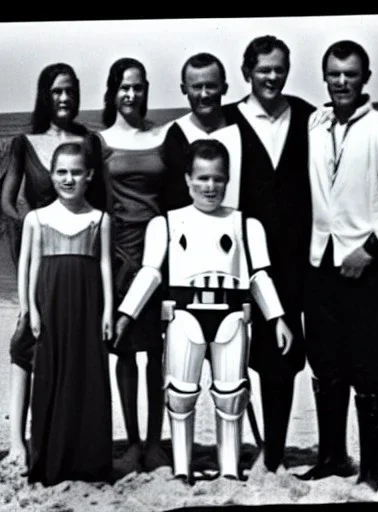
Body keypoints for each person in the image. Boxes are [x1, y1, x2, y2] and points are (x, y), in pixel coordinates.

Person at [114, 139, 293, 483]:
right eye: (202, 178)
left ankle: (229, 469)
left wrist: (278, 318)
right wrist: (127, 313)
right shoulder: (165, 224)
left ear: (228, 180)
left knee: (232, 395)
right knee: (180, 395)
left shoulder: (246, 225)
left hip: (230, 316)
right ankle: (182, 469)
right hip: (184, 315)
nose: (210, 187)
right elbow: (150, 273)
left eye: (218, 179)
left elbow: (259, 276)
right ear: (187, 179)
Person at [300, 40, 378, 491]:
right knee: (325, 364)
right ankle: (333, 458)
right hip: (320, 263)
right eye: (334, 74)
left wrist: (367, 251)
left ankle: (371, 474)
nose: (342, 82)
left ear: (366, 77)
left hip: (366, 269)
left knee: (370, 367)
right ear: (325, 77)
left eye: (351, 74)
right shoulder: (315, 125)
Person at [0, 63, 107, 473]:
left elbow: (100, 201)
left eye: (70, 91)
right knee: (23, 345)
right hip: (40, 259)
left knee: (70, 350)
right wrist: (27, 233)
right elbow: (7, 200)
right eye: (56, 92)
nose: (63, 98)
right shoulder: (24, 144)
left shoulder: (89, 141)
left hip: (78, 262)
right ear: (45, 96)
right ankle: (18, 445)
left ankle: (71, 439)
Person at [222, 35, 315, 473]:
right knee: (236, 353)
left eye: (279, 69)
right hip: (240, 258)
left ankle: (272, 452)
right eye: (264, 70)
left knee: (284, 354)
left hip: (297, 260)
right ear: (247, 73)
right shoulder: (225, 121)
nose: (273, 77)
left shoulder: (309, 117)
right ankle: (235, 449)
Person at [20, 141, 113, 486]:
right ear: (51, 175)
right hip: (51, 305)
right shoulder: (37, 218)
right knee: (50, 376)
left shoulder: (99, 219)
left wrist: (108, 311)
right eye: (62, 172)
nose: (69, 178)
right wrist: (29, 308)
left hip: (88, 306)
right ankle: (49, 460)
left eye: (76, 172)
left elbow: (105, 265)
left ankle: (88, 463)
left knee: (87, 375)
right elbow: (31, 267)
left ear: (89, 175)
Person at [98, 57, 172, 474]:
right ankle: (131, 442)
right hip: (120, 254)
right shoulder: (101, 141)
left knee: (159, 353)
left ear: (146, 89)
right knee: (125, 354)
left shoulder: (163, 136)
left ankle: (156, 443)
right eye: (123, 87)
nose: (131, 94)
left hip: (161, 253)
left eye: (138, 87)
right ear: (113, 92)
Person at [163, 52, 242, 210]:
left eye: (211, 86)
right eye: (197, 87)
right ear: (184, 89)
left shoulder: (244, 129)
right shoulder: (172, 136)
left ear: (224, 88)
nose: (204, 94)